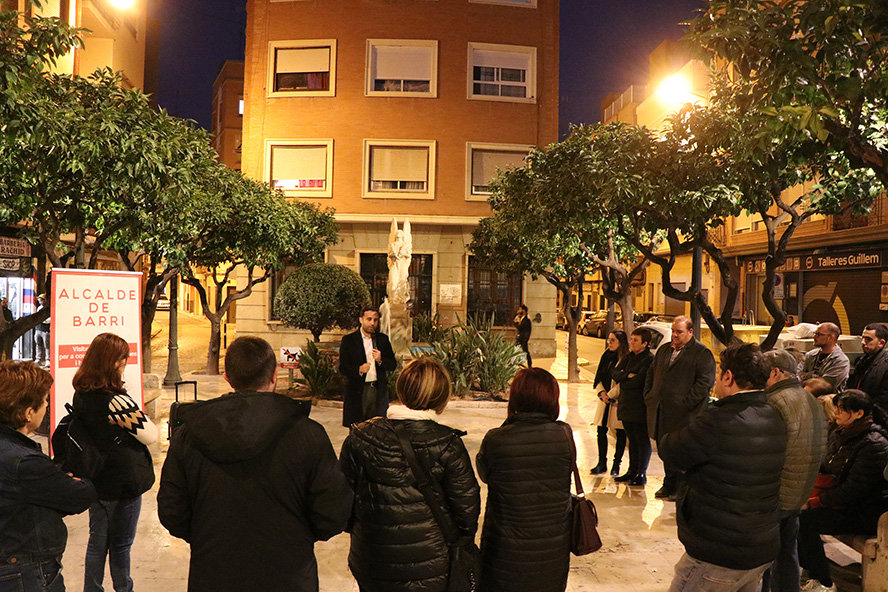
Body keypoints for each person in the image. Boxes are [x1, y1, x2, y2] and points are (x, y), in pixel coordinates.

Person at [158, 336, 352, 592]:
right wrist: (297, 536)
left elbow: (172, 511)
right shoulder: (308, 435)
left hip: (214, 573)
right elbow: (333, 512)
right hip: (289, 575)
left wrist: (208, 536)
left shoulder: (189, 436)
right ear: (274, 375)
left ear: (227, 377)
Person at [340, 357, 480, 592]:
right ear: (441, 397)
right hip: (431, 567)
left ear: (401, 389)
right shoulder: (448, 445)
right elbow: (467, 516)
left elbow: (342, 504)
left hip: (373, 561)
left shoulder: (360, 437)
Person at [660, 343, 786, 592]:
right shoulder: (774, 415)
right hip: (760, 546)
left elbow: (670, 450)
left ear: (728, 377)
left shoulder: (718, 420)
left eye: (720, 372)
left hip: (718, 553)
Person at [0, 361, 96, 592]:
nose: (46, 406)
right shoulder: (24, 462)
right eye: (44, 401)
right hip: (26, 570)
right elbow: (79, 495)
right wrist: (75, 482)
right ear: (27, 412)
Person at [72, 333, 157, 592]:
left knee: (96, 543)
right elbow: (151, 435)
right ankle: (124, 589)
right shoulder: (116, 401)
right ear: (112, 362)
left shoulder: (81, 394)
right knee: (120, 545)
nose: (125, 363)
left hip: (96, 479)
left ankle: (92, 588)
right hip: (122, 484)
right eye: (122, 358)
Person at [476, 368, 573, 592]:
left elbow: (485, 474)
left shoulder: (497, 438)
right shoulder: (565, 435)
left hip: (505, 550)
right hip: (552, 549)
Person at [797, 389, 888, 591]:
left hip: (866, 510)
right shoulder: (840, 434)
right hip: (841, 503)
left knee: (805, 520)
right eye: (837, 408)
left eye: (842, 409)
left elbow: (856, 489)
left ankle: (824, 582)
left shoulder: (873, 443)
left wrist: (814, 502)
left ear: (859, 414)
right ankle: (809, 570)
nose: (836, 413)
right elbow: (826, 468)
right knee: (794, 514)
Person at [760, 349, 829, 592]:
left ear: (776, 372)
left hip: (777, 491)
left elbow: (767, 449)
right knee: (787, 551)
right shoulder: (810, 399)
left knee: (763, 557)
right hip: (800, 491)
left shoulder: (775, 401)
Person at [643, 316, 717, 499]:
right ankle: (668, 484)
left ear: (690, 332)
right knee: (665, 449)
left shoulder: (701, 353)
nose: (674, 335)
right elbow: (652, 372)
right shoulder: (664, 350)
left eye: (679, 332)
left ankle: (680, 488)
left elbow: (704, 383)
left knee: (681, 452)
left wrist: (685, 403)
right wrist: (649, 394)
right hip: (662, 411)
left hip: (685, 415)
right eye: (673, 331)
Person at [339, 305, 398, 427]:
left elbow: (393, 364)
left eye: (375, 320)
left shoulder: (382, 340)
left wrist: (381, 360)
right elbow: (343, 367)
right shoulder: (349, 340)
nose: (372, 323)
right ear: (361, 320)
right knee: (358, 427)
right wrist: (359, 369)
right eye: (369, 319)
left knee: (378, 427)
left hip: (378, 390)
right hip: (358, 390)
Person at [612, 327, 655, 486]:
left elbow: (639, 381)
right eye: (631, 339)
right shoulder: (629, 357)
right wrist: (626, 376)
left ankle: (641, 473)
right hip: (626, 404)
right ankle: (632, 470)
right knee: (632, 440)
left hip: (639, 405)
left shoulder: (649, 359)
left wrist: (625, 379)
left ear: (644, 343)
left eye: (635, 340)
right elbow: (614, 373)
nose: (631, 343)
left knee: (641, 440)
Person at [590, 330, 628, 476]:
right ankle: (601, 462)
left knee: (620, 432)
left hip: (617, 401)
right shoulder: (606, 356)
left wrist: (611, 395)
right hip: (604, 400)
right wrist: (601, 393)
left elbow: (624, 380)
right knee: (601, 431)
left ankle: (616, 464)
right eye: (609, 340)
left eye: (613, 340)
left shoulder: (625, 358)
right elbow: (599, 375)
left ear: (620, 342)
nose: (609, 343)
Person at [847, 322, 888, 413]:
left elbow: (884, 398)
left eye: (868, 339)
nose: (863, 342)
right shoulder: (861, 361)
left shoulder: (885, 365)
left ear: (881, 343)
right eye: (863, 338)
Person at [799, 322, 850, 392]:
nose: (814, 337)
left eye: (818, 334)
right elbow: (797, 375)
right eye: (815, 333)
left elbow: (825, 385)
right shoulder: (810, 355)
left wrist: (807, 376)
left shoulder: (841, 360)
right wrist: (814, 376)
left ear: (830, 338)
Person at [34, 294, 50, 368]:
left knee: (47, 345)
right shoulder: (39, 308)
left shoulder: (49, 309)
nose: (40, 301)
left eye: (42, 300)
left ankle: (48, 360)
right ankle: (38, 358)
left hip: (45, 329)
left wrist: (42, 320)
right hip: (38, 329)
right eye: (39, 300)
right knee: (38, 344)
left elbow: (49, 320)